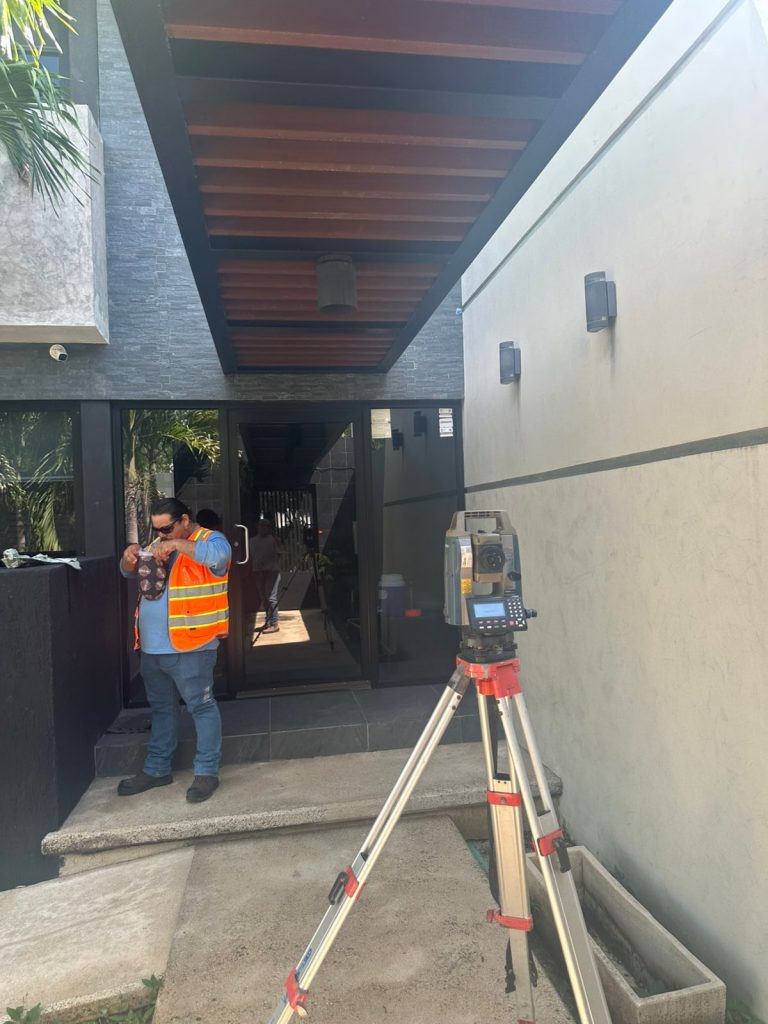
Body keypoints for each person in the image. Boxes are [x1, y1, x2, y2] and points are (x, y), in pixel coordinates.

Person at [118, 497, 231, 803]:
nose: (161, 535)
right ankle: (157, 769)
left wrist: (177, 546)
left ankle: (206, 773)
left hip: (192, 646)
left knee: (201, 707)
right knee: (162, 709)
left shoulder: (211, 540)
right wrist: (129, 559)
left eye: (166, 528)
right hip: (153, 649)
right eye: (156, 529)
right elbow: (132, 573)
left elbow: (219, 558)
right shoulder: (159, 542)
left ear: (184, 520)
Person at [250, 517, 282, 634]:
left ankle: (274, 623)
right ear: (257, 527)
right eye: (261, 525)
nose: (263, 528)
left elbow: (279, 554)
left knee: (271, 598)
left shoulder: (273, 539)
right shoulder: (252, 541)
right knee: (264, 598)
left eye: (266, 525)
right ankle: (268, 622)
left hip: (271, 571)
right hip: (258, 572)